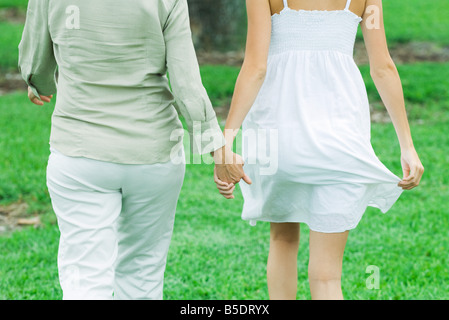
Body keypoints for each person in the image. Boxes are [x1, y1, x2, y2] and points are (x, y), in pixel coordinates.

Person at [18, 0, 246, 300]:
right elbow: (185, 81)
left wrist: (39, 83)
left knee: (85, 280)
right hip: (153, 155)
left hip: (80, 151)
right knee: (143, 277)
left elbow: (36, 63)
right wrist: (217, 149)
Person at [214, 0, 424, 300]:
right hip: (341, 138)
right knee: (327, 277)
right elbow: (383, 67)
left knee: (282, 240)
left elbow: (255, 67)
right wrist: (407, 146)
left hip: (278, 136)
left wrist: (227, 141)